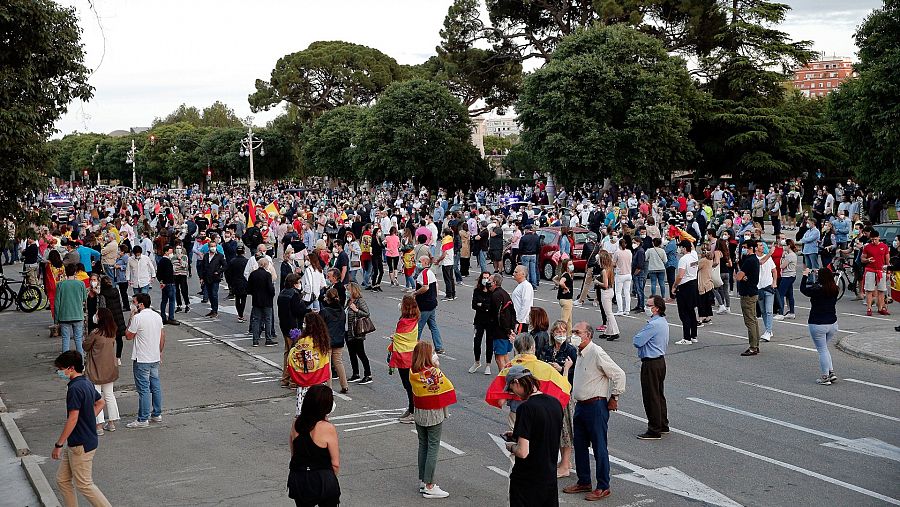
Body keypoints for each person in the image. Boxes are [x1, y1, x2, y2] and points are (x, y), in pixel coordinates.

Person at [563, 322, 626, 501]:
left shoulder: (596, 352)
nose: (574, 335)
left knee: (599, 447)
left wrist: (614, 397)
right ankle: (584, 481)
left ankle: (603, 486)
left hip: (595, 406)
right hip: (581, 406)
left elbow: (619, 374)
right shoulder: (579, 352)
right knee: (580, 446)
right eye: (573, 332)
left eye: (577, 332)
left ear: (588, 335)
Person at [52, 350, 112, 507]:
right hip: (81, 441)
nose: (59, 372)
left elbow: (73, 418)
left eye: (61, 369)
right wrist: (88, 418)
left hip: (80, 444)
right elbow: (101, 402)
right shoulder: (86, 382)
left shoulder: (74, 389)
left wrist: (59, 444)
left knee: (84, 484)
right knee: (62, 480)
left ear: (71, 368)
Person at [504, 365, 564, 507]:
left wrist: (511, 446)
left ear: (516, 382)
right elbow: (544, 432)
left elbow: (523, 452)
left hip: (527, 480)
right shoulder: (555, 403)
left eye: (511, 389)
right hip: (549, 478)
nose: (514, 394)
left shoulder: (526, 408)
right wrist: (517, 434)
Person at [409, 340, 456, 499]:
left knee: (423, 445)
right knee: (433, 447)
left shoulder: (413, 371)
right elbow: (447, 386)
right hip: (433, 413)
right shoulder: (434, 373)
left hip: (419, 411)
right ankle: (430, 485)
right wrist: (437, 366)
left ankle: (423, 480)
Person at [287, 384, 341, 507]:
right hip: (322, 479)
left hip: (299, 479)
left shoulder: (296, 423)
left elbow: (294, 454)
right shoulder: (327, 428)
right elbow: (335, 464)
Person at [537, 319, 577, 478]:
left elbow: (576, 371)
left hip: (564, 394)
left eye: (563, 331)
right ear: (552, 333)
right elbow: (539, 366)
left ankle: (565, 465)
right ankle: (564, 462)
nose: (561, 334)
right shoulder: (547, 349)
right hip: (550, 393)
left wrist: (562, 368)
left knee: (565, 429)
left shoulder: (570, 350)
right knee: (557, 430)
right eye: (558, 331)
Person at [125, 293, 165, 428]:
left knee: (143, 389)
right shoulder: (157, 316)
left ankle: (143, 418)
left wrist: (131, 317)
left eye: (134, 302)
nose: (133, 304)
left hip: (142, 358)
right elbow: (162, 336)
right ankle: (157, 413)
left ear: (140, 304)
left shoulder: (137, 318)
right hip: (154, 356)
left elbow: (128, 336)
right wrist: (160, 352)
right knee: (155, 385)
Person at [632, 295, 669, 440]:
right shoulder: (662, 321)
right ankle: (662, 424)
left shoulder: (653, 324)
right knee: (658, 394)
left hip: (651, 363)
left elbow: (638, 341)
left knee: (651, 396)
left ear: (656, 308)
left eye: (649, 305)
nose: (646, 308)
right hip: (659, 361)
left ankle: (654, 429)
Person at [800, 267, 840, 385]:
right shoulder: (835, 289)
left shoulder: (817, 290)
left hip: (818, 323)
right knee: (824, 348)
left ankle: (825, 376)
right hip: (832, 323)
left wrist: (805, 275)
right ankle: (831, 372)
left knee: (822, 350)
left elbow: (803, 289)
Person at [287, 313, 332, 416]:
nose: (303, 325)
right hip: (319, 382)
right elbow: (326, 364)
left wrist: (293, 348)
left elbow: (294, 360)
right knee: (320, 413)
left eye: (304, 323)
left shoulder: (302, 342)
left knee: (303, 414)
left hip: (304, 386)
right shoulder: (322, 342)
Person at [84, 308, 121, 435]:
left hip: (95, 369)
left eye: (97, 314)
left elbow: (85, 346)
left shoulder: (95, 333)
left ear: (100, 318)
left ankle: (98, 425)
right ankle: (111, 423)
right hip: (110, 369)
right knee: (109, 395)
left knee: (96, 397)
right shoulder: (112, 332)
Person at [278, 273, 308, 388]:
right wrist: (306, 307)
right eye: (299, 282)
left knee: (287, 352)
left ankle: (285, 378)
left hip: (284, 326)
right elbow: (298, 311)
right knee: (295, 353)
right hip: (294, 327)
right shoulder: (294, 294)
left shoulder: (282, 293)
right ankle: (293, 380)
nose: (300, 284)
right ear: (294, 284)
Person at [320, 288, 349, 394]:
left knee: (327, 364)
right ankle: (344, 385)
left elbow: (320, 325)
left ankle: (329, 387)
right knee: (338, 362)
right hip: (339, 339)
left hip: (327, 341)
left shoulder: (325, 311)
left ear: (328, 298)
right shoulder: (341, 310)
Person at [56, 263, 88, 357]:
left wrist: (56, 319)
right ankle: (81, 362)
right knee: (78, 339)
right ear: (75, 272)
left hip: (64, 316)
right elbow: (84, 298)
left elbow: (57, 303)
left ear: (65, 272)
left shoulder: (60, 285)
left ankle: (65, 362)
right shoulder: (81, 284)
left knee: (65, 339)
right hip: (78, 315)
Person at [736, 240, 761, 356]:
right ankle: (756, 344)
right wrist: (743, 276)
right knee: (753, 319)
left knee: (750, 320)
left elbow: (738, 276)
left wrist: (742, 276)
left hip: (747, 293)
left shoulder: (749, 260)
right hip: (753, 292)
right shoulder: (754, 259)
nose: (743, 249)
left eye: (745, 247)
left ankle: (753, 347)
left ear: (751, 248)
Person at [414, 255, 444, 354]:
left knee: (419, 327)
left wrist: (415, 293)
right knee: (433, 326)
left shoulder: (425, 273)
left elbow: (425, 287)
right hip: (431, 304)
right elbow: (436, 285)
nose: (418, 263)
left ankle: (414, 345)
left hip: (425, 305)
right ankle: (439, 346)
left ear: (426, 263)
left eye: (420, 261)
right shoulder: (430, 272)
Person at [672, 241, 699, 345]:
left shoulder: (683, 259)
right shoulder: (694, 256)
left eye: (680, 247)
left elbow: (680, 275)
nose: (679, 249)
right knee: (691, 311)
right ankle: (693, 336)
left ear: (684, 248)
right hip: (693, 283)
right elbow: (692, 247)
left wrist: (674, 286)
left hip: (685, 285)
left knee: (684, 313)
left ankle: (686, 337)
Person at [345, 283, 373, 385]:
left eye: (348, 289)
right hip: (348, 331)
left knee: (361, 353)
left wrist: (356, 310)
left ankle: (368, 375)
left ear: (353, 290)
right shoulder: (348, 301)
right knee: (351, 353)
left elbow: (367, 313)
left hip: (357, 331)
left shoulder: (359, 301)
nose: (347, 291)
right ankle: (355, 373)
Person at [96, 275, 126, 364]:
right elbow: (120, 304)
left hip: (109, 319)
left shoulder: (102, 294)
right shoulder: (116, 291)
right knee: (119, 339)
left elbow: (102, 307)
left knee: (109, 338)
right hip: (118, 317)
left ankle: (110, 356)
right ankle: (118, 357)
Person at [248, 257, 277, 347]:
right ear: (265, 265)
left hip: (256, 300)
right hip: (267, 300)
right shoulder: (267, 275)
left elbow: (249, 288)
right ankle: (268, 339)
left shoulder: (253, 274)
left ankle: (255, 340)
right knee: (268, 319)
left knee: (256, 320)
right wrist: (272, 294)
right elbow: (270, 288)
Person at [469, 271, 494, 374]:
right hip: (479, 320)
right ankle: (477, 361)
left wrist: (482, 305)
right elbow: (474, 305)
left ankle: (488, 364)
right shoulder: (477, 290)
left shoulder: (492, 291)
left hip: (490, 320)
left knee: (489, 342)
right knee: (477, 341)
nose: (485, 280)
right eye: (484, 277)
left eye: (487, 278)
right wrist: (484, 306)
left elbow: (491, 306)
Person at [861, 230, 891, 316]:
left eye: (875, 239)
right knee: (869, 290)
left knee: (881, 290)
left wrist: (888, 272)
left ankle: (880, 308)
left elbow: (887, 260)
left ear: (879, 238)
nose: (874, 241)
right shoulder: (867, 247)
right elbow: (862, 259)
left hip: (881, 271)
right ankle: (869, 308)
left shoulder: (884, 246)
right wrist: (867, 260)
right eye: (872, 240)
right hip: (870, 270)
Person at [490, 273, 515, 371]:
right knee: (505, 356)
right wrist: (511, 329)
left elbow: (499, 315)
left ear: (494, 282)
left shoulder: (496, 295)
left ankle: (504, 377)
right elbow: (512, 312)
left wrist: (507, 330)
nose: (488, 282)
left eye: (490, 280)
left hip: (500, 332)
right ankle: (510, 375)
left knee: (499, 358)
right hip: (506, 331)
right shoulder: (505, 294)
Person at [756, 240, 778, 342]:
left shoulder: (768, 258)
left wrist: (774, 282)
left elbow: (774, 270)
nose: (762, 247)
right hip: (759, 288)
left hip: (768, 287)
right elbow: (761, 262)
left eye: (762, 245)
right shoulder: (755, 258)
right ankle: (768, 329)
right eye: (760, 245)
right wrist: (770, 253)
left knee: (769, 311)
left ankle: (768, 331)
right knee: (763, 311)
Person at [596, 251, 619, 341]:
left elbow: (605, 285)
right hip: (610, 291)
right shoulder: (610, 268)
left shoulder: (604, 271)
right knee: (608, 313)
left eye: (599, 260)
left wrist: (597, 282)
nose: (598, 261)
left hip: (605, 292)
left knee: (609, 314)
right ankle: (608, 332)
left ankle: (615, 332)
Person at [201, 239, 226, 318]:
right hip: (207, 278)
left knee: (214, 294)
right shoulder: (206, 256)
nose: (213, 248)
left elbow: (225, 266)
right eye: (211, 246)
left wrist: (218, 271)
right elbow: (203, 267)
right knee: (210, 295)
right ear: (208, 247)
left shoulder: (220, 256)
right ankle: (212, 309)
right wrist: (202, 277)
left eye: (214, 246)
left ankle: (215, 311)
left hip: (215, 278)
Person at [225, 245, 249, 322]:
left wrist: (229, 283)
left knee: (237, 298)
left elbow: (228, 273)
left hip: (235, 282)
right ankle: (241, 315)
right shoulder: (246, 261)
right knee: (243, 298)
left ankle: (239, 314)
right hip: (244, 282)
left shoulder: (232, 261)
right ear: (244, 252)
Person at [775, 239, 798, 320]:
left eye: (785, 245)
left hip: (787, 276)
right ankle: (791, 312)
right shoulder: (792, 255)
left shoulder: (789, 256)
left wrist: (782, 257)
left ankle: (780, 313)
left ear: (788, 246)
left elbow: (782, 266)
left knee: (780, 294)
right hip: (791, 275)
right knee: (789, 294)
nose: (783, 247)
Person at [157, 245, 178, 325]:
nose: (171, 254)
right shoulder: (167, 262)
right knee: (172, 301)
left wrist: (161, 282)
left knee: (164, 301)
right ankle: (171, 318)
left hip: (164, 284)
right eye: (170, 252)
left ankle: (163, 317)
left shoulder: (161, 261)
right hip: (169, 283)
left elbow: (158, 273)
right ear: (166, 252)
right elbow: (168, 273)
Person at [512, 265, 534, 334]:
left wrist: (519, 321)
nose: (513, 274)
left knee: (520, 339)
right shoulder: (521, 285)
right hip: (518, 319)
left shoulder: (526, 286)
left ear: (523, 274)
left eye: (516, 272)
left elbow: (526, 305)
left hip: (522, 321)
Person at [612, 240, 632, 315]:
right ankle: (627, 310)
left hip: (620, 274)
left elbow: (613, 263)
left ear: (619, 245)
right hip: (628, 273)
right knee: (627, 292)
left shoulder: (617, 252)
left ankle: (620, 310)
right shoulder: (629, 252)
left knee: (618, 293)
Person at [172, 244, 191, 314]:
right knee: (176, 291)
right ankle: (179, 305)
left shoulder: (185, 257)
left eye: (179, 248)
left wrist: (180, 259)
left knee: (184, 290)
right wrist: (177, 267)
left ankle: (187, 304)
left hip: (183, 275)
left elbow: (184, 265)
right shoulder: (173, 257)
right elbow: (173, 267)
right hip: (175, 275)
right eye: (177, 248)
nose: (178, 249)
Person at [557, 258, 574, 329]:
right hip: (566, 300)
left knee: (569, 321)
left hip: (564, 299)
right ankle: (559, 333)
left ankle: (569, 334)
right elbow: (561, 282)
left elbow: (555, 279)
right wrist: (566, 287)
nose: (572, 266)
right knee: (564, 321)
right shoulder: (566, 275)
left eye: (572, 264)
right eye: (569, 264)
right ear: (565, 266)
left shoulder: (565, 274)